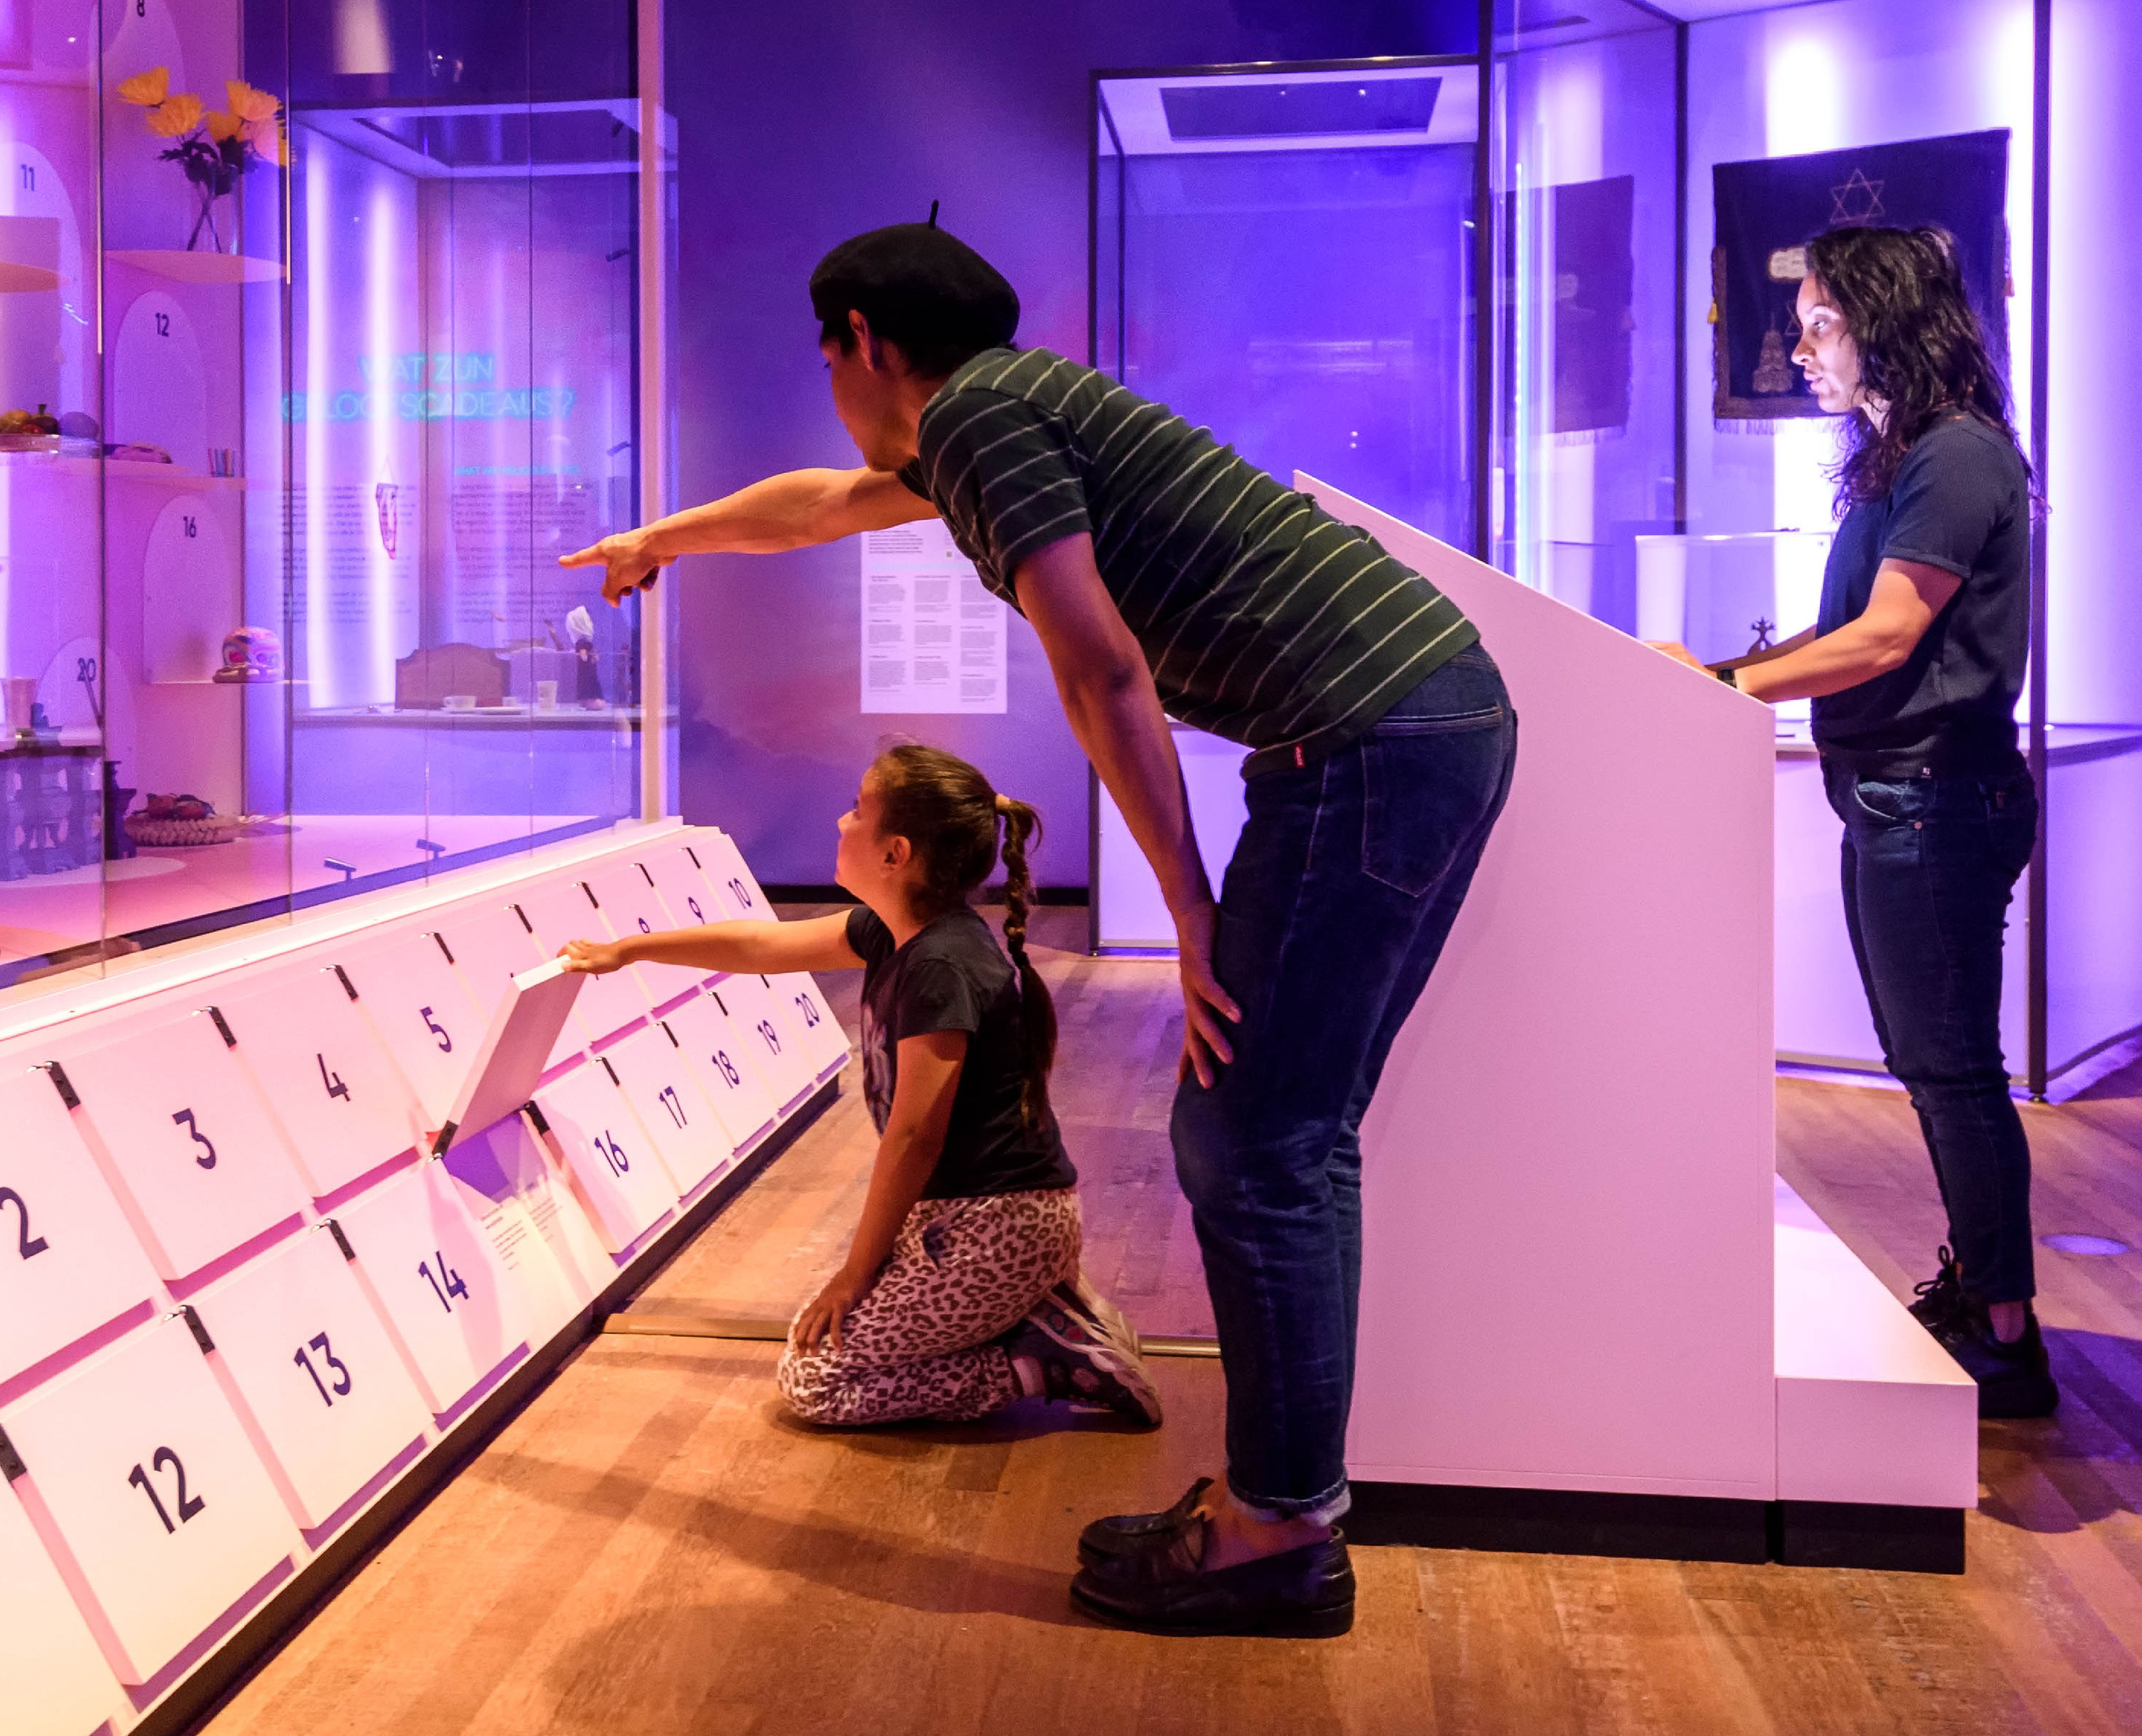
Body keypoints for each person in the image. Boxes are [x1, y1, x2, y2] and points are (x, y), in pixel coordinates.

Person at [563, 221, 1516, 1638]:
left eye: (827, 358)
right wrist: (660, 539)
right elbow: (821, 507)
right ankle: (1286, 1509)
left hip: (1368, 741)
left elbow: (1101, 667)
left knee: (1255, 1143)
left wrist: (1186, 905)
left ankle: (1279, 1533)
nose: (832, 386)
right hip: (1420, 717)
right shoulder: (1007, 413)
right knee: (1283, 1138)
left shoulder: (983, 423)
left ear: (862, 341)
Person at [1658, 225, 2051, 1416]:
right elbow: (1853, 638)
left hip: (1933, 801)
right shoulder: (1906, 458)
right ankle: (1981, 1293)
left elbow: (1885, 638)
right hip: (1903, 799)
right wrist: (1721, 676)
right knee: (1934, 1066)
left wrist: (1724, 683)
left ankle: (2005, 1335)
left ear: (1886, 325)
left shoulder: (1955, 455)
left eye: (1822, 323)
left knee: (1952, 1073)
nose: (1800, 348)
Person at [561, 744, 1161, 1432]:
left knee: (814, 1381)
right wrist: (629, 951)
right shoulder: (895, 932)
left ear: (895, 854)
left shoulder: (942, 967)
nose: (842, 821)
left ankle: (1042, 1362)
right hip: (973, 1220)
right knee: (821, 1335)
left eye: (857, 810)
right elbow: (759, 947)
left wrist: (854, 1273)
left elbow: (913, 1139)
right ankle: (1039, 1313)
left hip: (999, 1229)